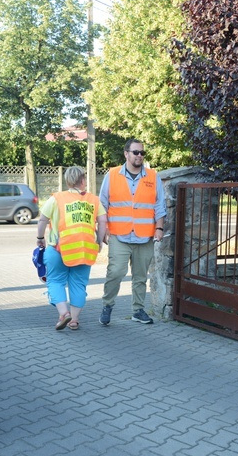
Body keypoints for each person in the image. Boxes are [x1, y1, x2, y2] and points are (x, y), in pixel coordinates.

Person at [99, 139, 166, 326]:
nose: (139, 156)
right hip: (119, 235)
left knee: (140, 276)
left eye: (142, 153)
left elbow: (159, 206)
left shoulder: (153, 176)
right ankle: (107, 305)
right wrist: (101, 230)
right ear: (126, 153)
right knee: (116, 272)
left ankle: (138, 310)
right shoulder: (112, 175)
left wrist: (159, 228)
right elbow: (102, 205)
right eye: (136, 152)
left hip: (145, 236)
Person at [36, 166, 107, 330]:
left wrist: (40, 238)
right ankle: (74, 320)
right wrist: (99, 241)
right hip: (84, 250)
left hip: (57, 249)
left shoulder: (57, 198)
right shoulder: (94, 200)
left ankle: (64, 313)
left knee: (55, 281)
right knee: (79, 284)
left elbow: (42, 220)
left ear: (68, 181)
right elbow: (102, 221)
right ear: (83, 180)